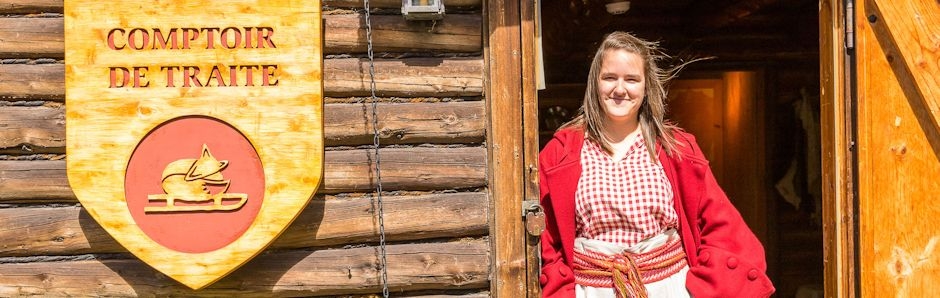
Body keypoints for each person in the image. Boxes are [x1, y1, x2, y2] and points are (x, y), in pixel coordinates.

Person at [538, 31, 775, 297]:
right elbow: (547, 241)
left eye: (631, 79)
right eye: (609, 78)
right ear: (594, 83)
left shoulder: (677, 148)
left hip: (667, 288)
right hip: (593, 291)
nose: (620, 89)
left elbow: (721, 226)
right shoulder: (560, 154)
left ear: (646, 86)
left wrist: (700, 289)